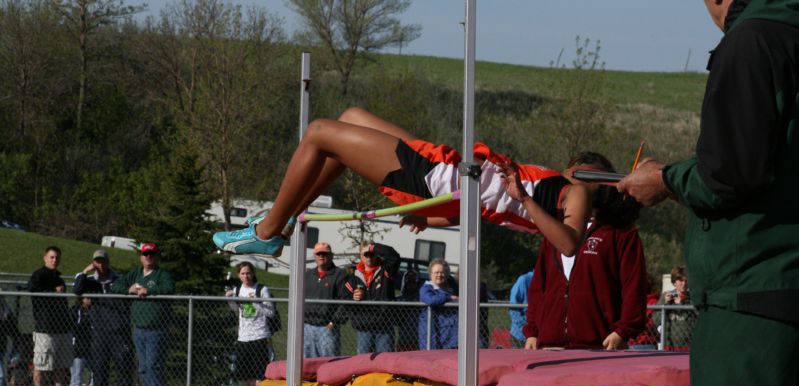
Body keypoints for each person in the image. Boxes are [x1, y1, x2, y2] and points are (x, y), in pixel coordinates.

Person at [616, 1, 799, 386]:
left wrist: (667, 180)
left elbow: (731, 173)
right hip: (787, 284)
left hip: (751, 291)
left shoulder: (753, 41)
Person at [212, 107, 591, 260]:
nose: (573, 168)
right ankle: (290, 218)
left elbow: (568, 244)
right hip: (442, 168)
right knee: (351, 117)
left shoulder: (573, 194)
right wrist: (429, 220)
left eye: (582, 168)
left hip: (432, 179)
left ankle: (267, 230)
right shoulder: (552, 190)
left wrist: (525, 196)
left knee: (319, 133)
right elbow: (475, 208)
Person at [524, 152, 648, 350]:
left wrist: (622, 331)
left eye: (584, 178)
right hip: (549, 347)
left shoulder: (621, 233)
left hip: (601, 347)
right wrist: (533, 331)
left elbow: (634, 286)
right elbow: (539, 287)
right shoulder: (555, 230)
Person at [112, 242, 175, 386]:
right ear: (141, 257)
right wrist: (129, 290)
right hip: (138, 328)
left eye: (151, 254)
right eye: (145, 254)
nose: (148, 257)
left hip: (156, 328)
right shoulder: (135, 274)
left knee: (154, 364)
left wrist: (150, 291)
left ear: (157, 257)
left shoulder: (162, 275)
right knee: (143, 367)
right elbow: (116, 286)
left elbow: (169, 289)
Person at [73, 249, 133, 386]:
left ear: (108, 262)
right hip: (99, 331)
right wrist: (85, 271)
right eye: (97, 261)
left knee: (123, 364)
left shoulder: (118, 280)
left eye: (103, 261)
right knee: (99, 366)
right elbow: (77, 289)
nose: (100, 264)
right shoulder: (91, 282)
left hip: (119, 331)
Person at [225, 261, 276, 386]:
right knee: (244, 372)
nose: (246, 276)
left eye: (248, 273)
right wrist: (230, 299)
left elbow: (271, 312)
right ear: (238, 275)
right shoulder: (238, 289)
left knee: (260, 372)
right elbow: (237, 310)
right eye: (242, 273)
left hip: (260, 335)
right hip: (243, 336)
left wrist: (256, 303)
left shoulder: (262, 289)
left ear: (253, 273)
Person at [29, 246, 73, 386]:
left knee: (61, 365)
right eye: (52, 257)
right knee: (41, 363)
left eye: (57, 258)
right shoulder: (38, 276)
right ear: (45, 258)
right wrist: (53, 291)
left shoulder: (59, 278)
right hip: (45, 328)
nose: (55, 260)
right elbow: (34, 290)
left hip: (62, 327)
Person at [346, 242, 401, 354]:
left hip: (384, 327)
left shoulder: (385, 269)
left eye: (372, 253)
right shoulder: (354, 276)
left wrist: (374, 247)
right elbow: (344, 298)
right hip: (364, 328)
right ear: (360, 256)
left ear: (376, 254)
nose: (369, 257)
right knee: (363, 364)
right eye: (366, 254)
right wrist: (353, 297)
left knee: (385, 363)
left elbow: (395, 257)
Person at [304, 242, 349, 357]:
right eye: (319, 254)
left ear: (331, 255)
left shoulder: (340, 275)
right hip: (307, 327)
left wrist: (333, 322)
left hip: (327, 328)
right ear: (314, 256)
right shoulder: (308, 275)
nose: (321, 256)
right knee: (307, 364)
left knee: (328, 363)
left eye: (325, 254)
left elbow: (345, 302)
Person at [652, 266, 697, 351]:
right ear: (674, 282)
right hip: (668, 345)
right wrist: (665, 303)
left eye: (686, 280)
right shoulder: (666, 296)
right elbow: (656, 320)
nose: (684, 284)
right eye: (680, 280)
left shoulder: (693, 298)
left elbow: (699, 317)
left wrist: (682, 304)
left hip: (689, 346)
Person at [419, 259, 459, 350]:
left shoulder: (451, 289)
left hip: (450, 335)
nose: (439, 275)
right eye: (436, 272)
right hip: (431, 332)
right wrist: (449, 298)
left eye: (442, 272)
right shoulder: (426, 288)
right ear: (430, 273)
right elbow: (430, 300)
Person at [69, 297, 92, 386]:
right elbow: (75, 327)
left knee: (96, 375)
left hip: (91, 348)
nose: (90, 300)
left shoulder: (95, 310)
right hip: (78, 348)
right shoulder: (76, 311)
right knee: (77, 377)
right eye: (87, 297)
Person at [396, 270, 421, 351]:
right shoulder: (400, 300)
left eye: (413, 281)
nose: (411, 284)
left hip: (419, 340)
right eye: (408, 281)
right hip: (404, 340)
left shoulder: (422, 300)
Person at [508, 271, 534, 348]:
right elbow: (513, 307)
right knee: (519, 359)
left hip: (537, 333)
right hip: (520, 335)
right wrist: (524, 326)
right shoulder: (524, 280)